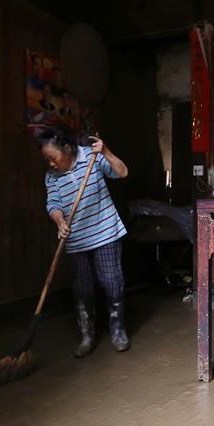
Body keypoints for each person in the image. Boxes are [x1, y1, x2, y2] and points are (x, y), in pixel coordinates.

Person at [39, 128, 130, 357]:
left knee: (112, 283)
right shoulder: (52, 176)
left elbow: (122, 172)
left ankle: (118, 330)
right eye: (47, 159)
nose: (50, 164)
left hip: (106, 233)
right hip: (76, 239)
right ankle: (87, 335)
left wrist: (106, 151)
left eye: (53, 158)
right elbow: (53, 204)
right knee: (82, 289)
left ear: (67, 149)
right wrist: (59, 221)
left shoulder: (92, 156)